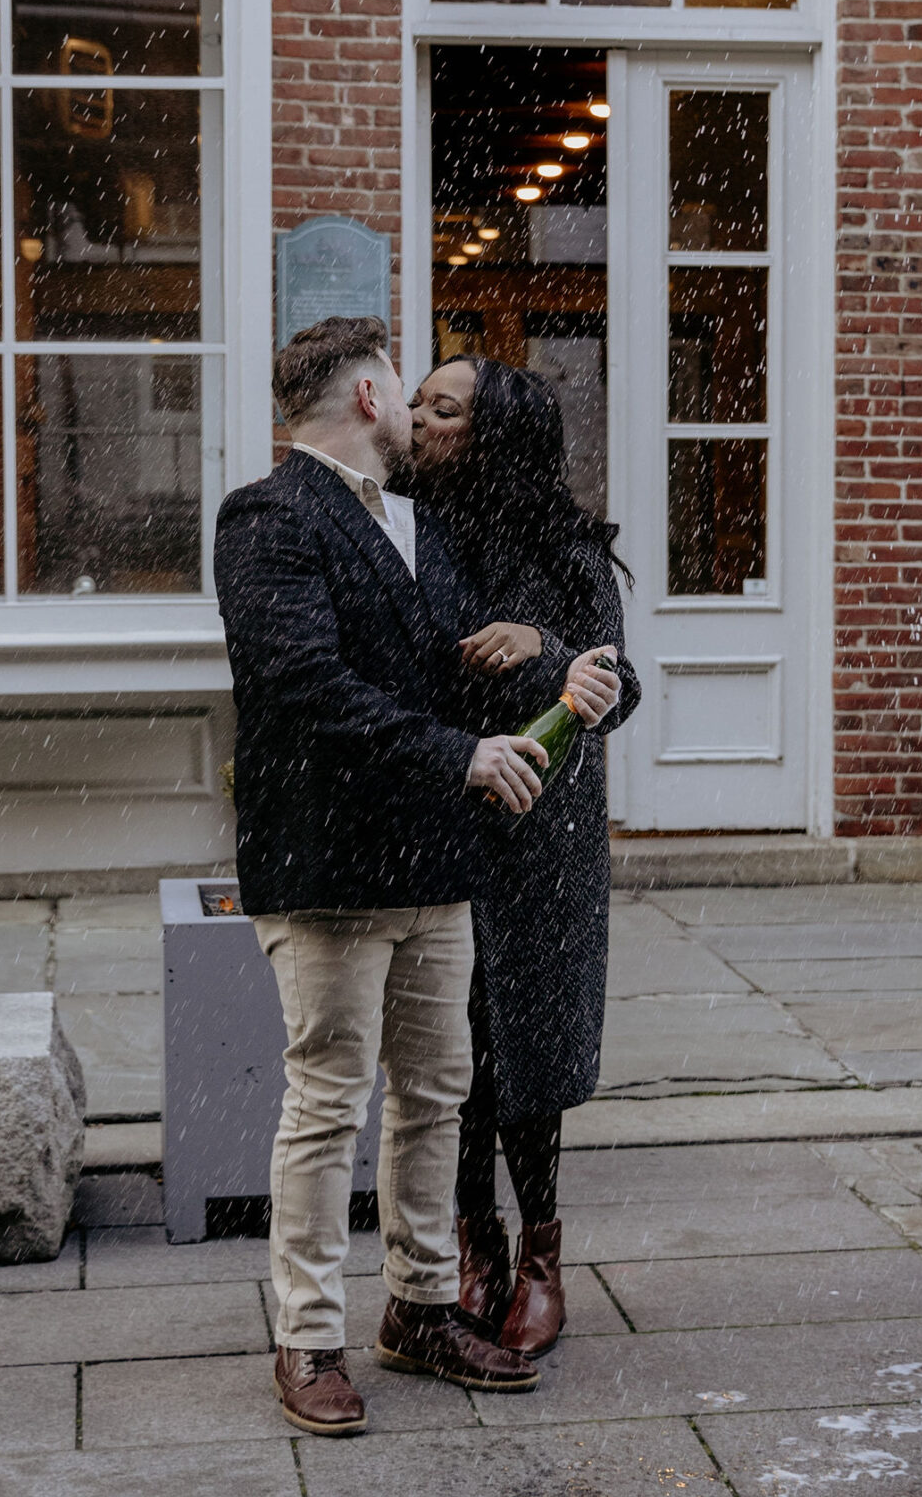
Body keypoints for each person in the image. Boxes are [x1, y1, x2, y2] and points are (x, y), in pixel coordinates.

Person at [213, 315, 617, 1437]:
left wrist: (557, 667)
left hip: (437, 867)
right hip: (331, 867)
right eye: (406, 394)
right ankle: (305, 1338)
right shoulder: (265, 516)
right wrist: (462, 756)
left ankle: (422, 1305)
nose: (416, 414)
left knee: (435, 1098)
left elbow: (447, 670)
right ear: (364, 400)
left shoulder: (412, 524)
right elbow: (305, 687)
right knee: (326, 1105)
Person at [408, 355, 640, 1358]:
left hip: (541, 839)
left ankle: (542, 1255)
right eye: (416, 400)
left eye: (441, 407)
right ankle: (476, 1247)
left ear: (493, 433)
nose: (414, 416)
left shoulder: (566, 548)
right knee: (453, 1054)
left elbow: (615, 686)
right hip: (444, 818)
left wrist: (540, 649)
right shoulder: (403, 529)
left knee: (527, 1053)